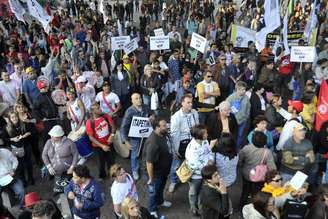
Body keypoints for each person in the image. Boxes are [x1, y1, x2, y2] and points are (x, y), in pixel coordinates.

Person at [169, 94, 199, 193]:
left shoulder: (194, 113)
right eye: (188, 102)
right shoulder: (176, 117)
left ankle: (188, 178)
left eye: (191, 102)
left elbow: (197, 128)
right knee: (176, 164)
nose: (191, 104)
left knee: (191, 163)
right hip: (182, 144)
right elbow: (174, 135)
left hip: (193, 143)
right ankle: (173, 181)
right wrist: (175, 150)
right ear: (182, 103)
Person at [239, 131, 277, 207]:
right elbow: (272, 168)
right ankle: (255, 206)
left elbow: (240, 160)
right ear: (265, 142)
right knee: (256, 193)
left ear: (252, 140)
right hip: (259, 177)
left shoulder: (246, 148)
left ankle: (241, 205)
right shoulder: (267, 152)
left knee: (245, 191)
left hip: (247, 175)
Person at [145, 117, 172, 218]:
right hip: (155, 173)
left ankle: (160, 201)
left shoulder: (163, 134)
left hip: (163, 170)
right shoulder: (153, 142)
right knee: (154, 192)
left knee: (161, 188)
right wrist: (151, 178)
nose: (167, 127)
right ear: (157, 127)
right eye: (164, 126)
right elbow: (149, 163)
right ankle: (152, 210)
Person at [185, 124, 215, 216]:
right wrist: (207, 165)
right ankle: (193, 208)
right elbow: (193, 165)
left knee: (202, 192)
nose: (207, 134)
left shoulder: (205, 141)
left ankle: (201, 207)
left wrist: (211, 159)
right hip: (196, 176)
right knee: (194, 192)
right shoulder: (192, 148)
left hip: (205, 173)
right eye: (205, 133)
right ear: (199, 135)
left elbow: (209, 151)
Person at [120, 93, 151, 180]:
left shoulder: (145, 107)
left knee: (145, 153)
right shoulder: (129, 111)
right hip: (135, 137)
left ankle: (145, 168)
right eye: (136, 98)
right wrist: (125, 141)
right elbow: (123, 127)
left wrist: (152, 117)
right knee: (135, 155)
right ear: (132, 101)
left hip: (145, 135)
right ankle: (135, 170)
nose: (139, 100)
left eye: (140, 98)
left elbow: (151, 115)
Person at [42, 125, 79, 192]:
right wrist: (49, 166)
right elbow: (44, 155)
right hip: (55, 170)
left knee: (68, 185)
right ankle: (59, 189)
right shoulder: (49, 142)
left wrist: (72, 167)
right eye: (51, 135)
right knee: (58, 186)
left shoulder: (69, 142)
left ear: (59, 136)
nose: (51, 137)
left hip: (68, 170)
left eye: (54, 136)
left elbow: (75, 154)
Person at [86, 102, 116, 180]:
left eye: (99, 107)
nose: (100, 109)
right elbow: (91, 138)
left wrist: (112, 136)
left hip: (109, 143)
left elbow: (113, 127)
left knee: (111, 160)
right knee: (100, 163)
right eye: (98, 108)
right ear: (93, 111)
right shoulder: (89, 122)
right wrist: (102, 146)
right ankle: (102, 175)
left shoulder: (106, 116)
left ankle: (112, 174)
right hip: (97, 147)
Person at [5, 111, 34, 186]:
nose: (14, 118)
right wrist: (12, 139)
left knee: (28, 164)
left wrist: (27, 134)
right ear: (10, 119)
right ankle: (23, 181)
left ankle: (31, 179)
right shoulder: (7, 128)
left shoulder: (23, 124)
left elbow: (31, 131)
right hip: (16, 148)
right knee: (20, 166)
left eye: (15, 116)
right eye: (12, 117)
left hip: (26, 145)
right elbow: (5, 139)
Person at [226, 81, 251, 149]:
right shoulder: (231, 98)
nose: (244, 91)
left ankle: (237, 149)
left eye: (245, 89)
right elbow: (226, 108)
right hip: (232, 121)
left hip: (242, 121)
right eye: (242, 89)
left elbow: (248, 109)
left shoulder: (246, 98)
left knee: (240, 136)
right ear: (238, 89)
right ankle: (230, 148)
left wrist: (246, 117)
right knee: (231, 135)